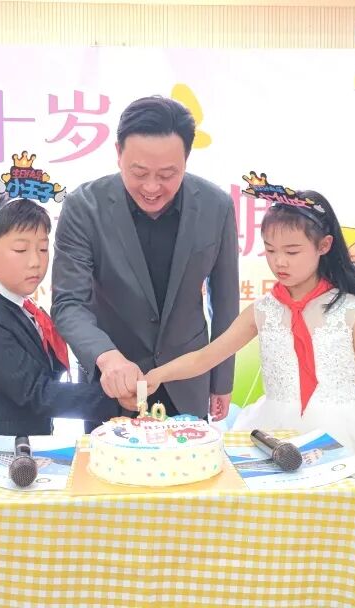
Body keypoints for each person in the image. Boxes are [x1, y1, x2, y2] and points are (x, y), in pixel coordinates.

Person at [143, 188, 355, 607]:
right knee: (279, 544)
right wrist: (156, 376)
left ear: (324, 246)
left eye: (292, 251)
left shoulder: (350, 309)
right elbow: (207, 356)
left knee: (353, 544)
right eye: (271, 250)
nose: (280, 262)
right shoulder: (263, 310)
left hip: (347, 436)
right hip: (275, 433)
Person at [51, 96, 240, 429]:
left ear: (186, 160)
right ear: (118, 153)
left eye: (168, 174)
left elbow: (225, 300)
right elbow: (69, 303)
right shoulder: (84, 208)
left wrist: (222, 380)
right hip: (111, 384)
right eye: (139, 173)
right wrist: (107, 358)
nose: (152, 188)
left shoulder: (217, 207)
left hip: (187, 383)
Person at [0, 193, 132, 504]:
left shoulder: (24, 309)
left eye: (44, 248)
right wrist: (114, 398)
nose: (36, 261)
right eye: (21, 249)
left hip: (24, 452)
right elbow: (36, 392)